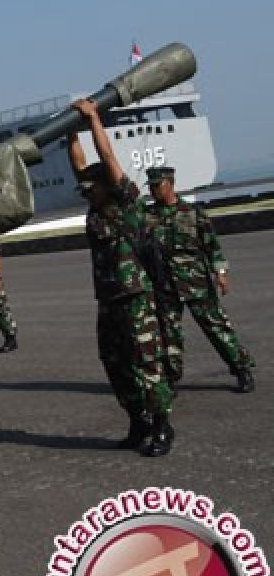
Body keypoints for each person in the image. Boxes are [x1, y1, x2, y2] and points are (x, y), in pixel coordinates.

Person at [68, 100, 174, 456]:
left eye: (92, 185)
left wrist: (94, 119)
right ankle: (137, 421)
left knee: (146, 362)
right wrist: (71, 131)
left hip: (135, 297)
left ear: (106, 186)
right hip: (109, 300)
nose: (86, 189)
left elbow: (107, 158)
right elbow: (80, 164)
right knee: (114, 362)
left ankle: (162, 425)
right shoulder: (95, 210)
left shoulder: (126, 203)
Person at [144, 166, 256, 393]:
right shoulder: (147, 217)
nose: (154, 190)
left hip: (197, 283)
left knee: (217, 328)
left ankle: (242, 369)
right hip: (165, 286)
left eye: (158, 185)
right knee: (168, 335)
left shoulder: (193, 213)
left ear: (170, 183)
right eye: (152, 186)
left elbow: (212, 246)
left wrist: (221, 274)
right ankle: (170, 380)